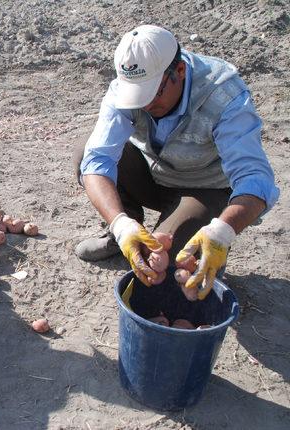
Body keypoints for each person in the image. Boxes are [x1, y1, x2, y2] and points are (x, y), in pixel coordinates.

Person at [73, 25, 279, 298]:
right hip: (153, 175)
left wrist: (222, 232)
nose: (144, 106)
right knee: (85, 154)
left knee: (169, 268)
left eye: (152, 94)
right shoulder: (124, 90)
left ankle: (205, 236)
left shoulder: (223, 95)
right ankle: (125, 236)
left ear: (179, 71)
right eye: (137, 96)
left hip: (203, 189)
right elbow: (98, 158)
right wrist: (121, 225)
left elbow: (256, 179)